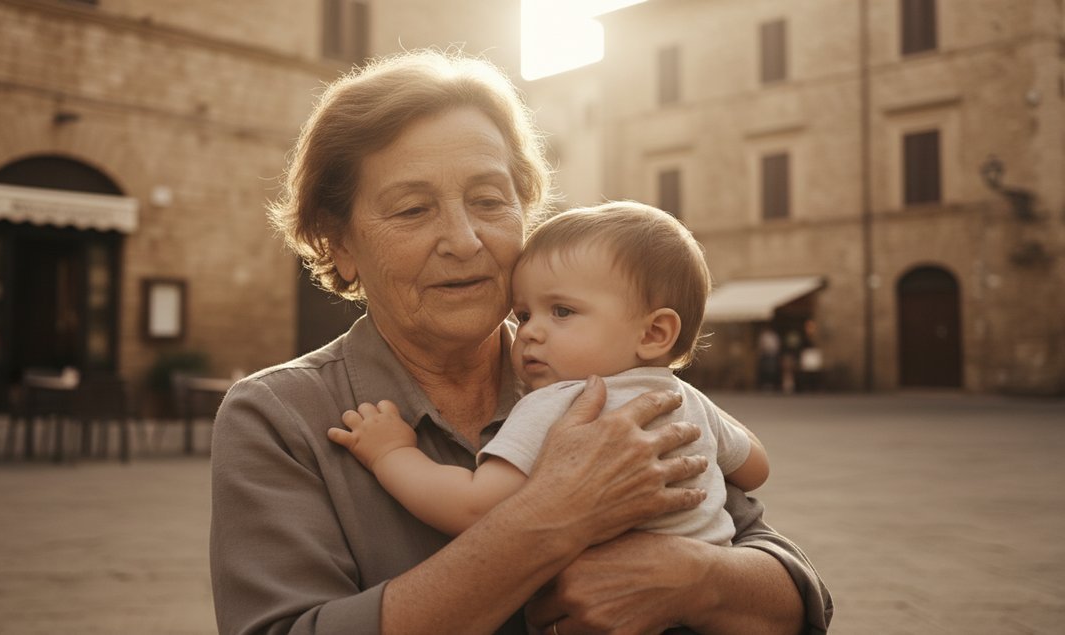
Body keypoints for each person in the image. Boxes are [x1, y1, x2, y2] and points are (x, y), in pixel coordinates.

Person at [209, 49, 832, 635]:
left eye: (488, 201)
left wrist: (692, 578)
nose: (464, 239)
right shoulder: (278, 417)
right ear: (338, 244)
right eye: (411, 210)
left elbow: (796, 594)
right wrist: (553, 518)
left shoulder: (600, 372)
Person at [330, 202, 770, 545]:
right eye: (523, 314)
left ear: (655, 332)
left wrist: (391, 454)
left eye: (562, 311)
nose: (531, 332)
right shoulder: (686, 401)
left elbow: (473, 508)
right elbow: (754, 468)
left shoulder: (559, 404)